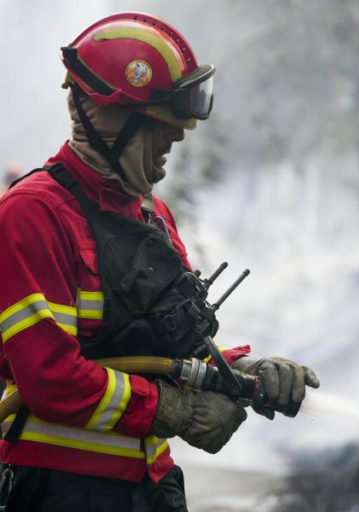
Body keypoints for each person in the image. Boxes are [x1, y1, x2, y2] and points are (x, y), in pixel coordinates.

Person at [0, 12, 318, 511]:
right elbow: (50, 378)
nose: (178, 139)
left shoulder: (153, 214)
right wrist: (175, 411)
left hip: (153, 487)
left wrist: (242, 369)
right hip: (63, 490)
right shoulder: (33, 215)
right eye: (161, 126)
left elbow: (171, 348)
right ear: (109, 121)